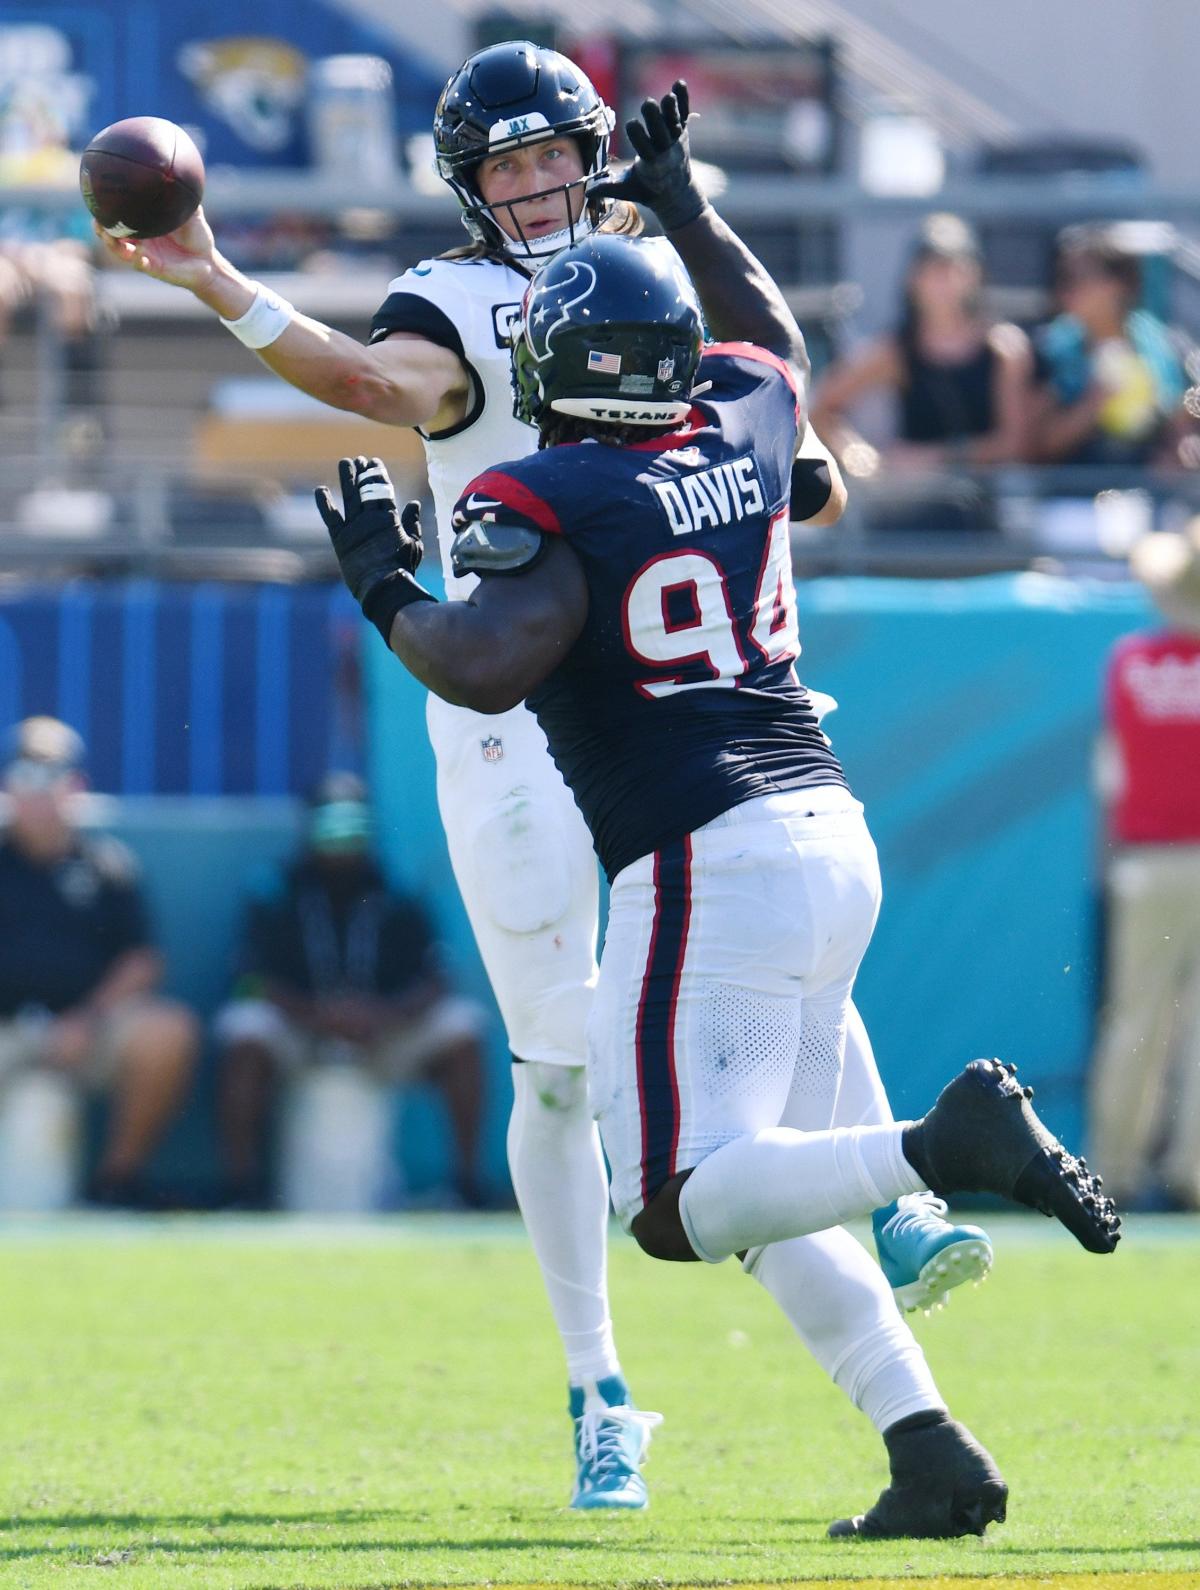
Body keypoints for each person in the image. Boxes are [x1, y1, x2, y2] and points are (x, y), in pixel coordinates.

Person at [97, 40, 988, 1507]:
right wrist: (215, 279)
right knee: (570, 1065)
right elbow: (367, 379)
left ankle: (887, 1214)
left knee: (741, 1016)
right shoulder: (456, 301)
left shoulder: (648, 271)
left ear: (588, 148)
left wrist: (782, 427)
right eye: (505, 167)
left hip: (657, 693)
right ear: (468, 186)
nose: (538, 184)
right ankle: (604, 1382)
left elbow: (793, 437)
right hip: (519, 701)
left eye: (551, 153)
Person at [314, 86, 1119, 1539]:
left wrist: (382, 572)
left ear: (553, 361)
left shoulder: (550, 488)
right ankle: (928, 1444)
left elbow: (481, 668)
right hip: (827, 829)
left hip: (702, 864)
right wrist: (684, 197)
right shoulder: (749, 421)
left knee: (677, 1202)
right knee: (764, 1172)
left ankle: (938, 1151)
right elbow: (780, 342)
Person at [215, 771, 487, 1208]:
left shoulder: (398, 893)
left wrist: (380, 1014)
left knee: (463, 1025)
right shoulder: (273, 892)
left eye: (352, 826)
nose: (341, 840)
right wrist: (318, 1014)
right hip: (302, 1032)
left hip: (383, 1034)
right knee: (245, 1027)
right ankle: (240, 1187)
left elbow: (437, 980)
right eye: (330, 826)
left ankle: (466, 1184)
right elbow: (247, 980)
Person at [0, 716, 198, 1205]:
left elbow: (142, 961)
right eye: (26, 777)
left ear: (77, 786)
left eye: (53, 778)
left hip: (83, 1032)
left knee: (166, 1031)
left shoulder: (108, 865)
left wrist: (86, 1020)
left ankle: (115, 1182)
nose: (40, 794)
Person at [1088, 521, 1200, 1210]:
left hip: (1148, 861)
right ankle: (1193, 1171)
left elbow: (1112, 775)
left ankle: (1114, 1170)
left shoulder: (1130, 660)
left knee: (1135, 1016)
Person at [809, 213, 1033, 482]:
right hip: (918, 505)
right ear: (913, 280)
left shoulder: (1004, 349)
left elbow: (1015, 444)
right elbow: (822, 408)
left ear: (976, 276)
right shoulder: (896, 352)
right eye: (933, 268)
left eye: (955, 268)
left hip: (992, 500)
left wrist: (934, 457)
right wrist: (859, 457)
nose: (945, 281)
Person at [1032, 226, 1192, 470]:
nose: (1066, 289)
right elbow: (1037, 448)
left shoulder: (1165, 345)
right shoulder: (1047, 350)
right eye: (1062, 277)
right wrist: (1095, 402)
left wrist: (1179, 452)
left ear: (1117, 285)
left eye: (1078, 278)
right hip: (1072, 496)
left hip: (1152, 495)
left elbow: (1181, 427)